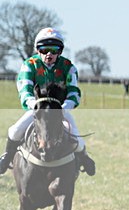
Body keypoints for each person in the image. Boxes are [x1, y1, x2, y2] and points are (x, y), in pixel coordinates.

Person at [0, 28, 95, 176]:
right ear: (38, 50)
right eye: (44, 50)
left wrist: (64, 108)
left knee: (76, 137)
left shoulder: (68, 67)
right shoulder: (29, 64)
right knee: (14, 131)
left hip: (60, 110)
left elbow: (74, 92)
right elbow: (24, 89)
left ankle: (84, 158)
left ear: (60, 51)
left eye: (53, 49)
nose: (49, 54)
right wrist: (34, 104)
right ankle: (6, 158)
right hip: (37, 110)